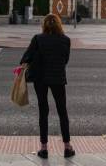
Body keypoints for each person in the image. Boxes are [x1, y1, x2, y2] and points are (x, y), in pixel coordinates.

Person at [20, 13, 75, 159]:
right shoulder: (66, 40)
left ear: (44, 25)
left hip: (40, 79)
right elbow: (65, 60)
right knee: (62, 112)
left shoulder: (38, 39)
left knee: (43, 112)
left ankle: (44, 148)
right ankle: (67, 147)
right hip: (58, 78)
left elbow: (25, 58)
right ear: (59, 24)